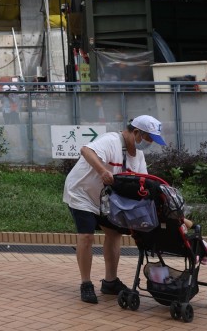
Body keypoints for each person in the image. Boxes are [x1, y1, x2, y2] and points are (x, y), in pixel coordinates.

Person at [62, 114, 167, 303]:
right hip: (82, 193)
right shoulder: (111, 141)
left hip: (106, 199)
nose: (150, 143)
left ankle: (110, 282)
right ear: (136, 132)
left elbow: (143, 183)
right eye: (149, 138)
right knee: (86, 235)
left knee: (114, 233)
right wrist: (103, 171)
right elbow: (86, 150)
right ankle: (86, 284)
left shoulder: (138, 155)